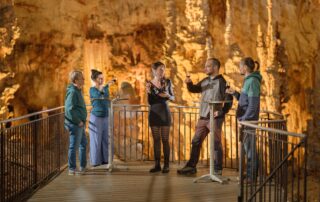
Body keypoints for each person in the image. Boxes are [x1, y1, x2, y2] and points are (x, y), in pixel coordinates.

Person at [177, 58, 233, 175]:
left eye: (208, 66)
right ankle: (191, 166)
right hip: (203, 117)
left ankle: (217, 169)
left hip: (215, 117)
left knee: (216, 143)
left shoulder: (222, 82)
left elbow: (228, 99)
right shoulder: (205, 80)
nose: (205, 68)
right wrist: (189, 83)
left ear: (215, 67)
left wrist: (222, 112)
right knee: (196, 141)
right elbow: (195, 89)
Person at [226, 57, 262, 181]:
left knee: (251, 149)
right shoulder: (248, 81)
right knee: (247, 149)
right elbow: (245, 100)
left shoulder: (252, 81)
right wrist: (234, 93)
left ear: (245, 67)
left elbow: (253, 105)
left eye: (240, 66)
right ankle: (250, 173)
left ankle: (252, 177)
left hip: (249, 121)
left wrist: (244, 120)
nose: (239, 68)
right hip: (246, 120)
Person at [146, 61, 175, 173]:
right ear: (154, 70)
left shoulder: (167, 82)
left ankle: (166, 165)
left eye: (163, 69)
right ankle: (157, 165)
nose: (162, 71)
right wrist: (148, 92)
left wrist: (167, 95)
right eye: (160, 69)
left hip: (164, 113)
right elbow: (150, 101)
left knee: (165, 139)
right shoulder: (149, 83)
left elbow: (173, 97)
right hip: (154, 113)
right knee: (156, 140)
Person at [89, 69, 114, 167]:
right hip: (96, 117)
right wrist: (104, 86)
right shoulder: (92, 89)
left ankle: (106, 160)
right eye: (99, 79)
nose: (102, 80)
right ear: (95, 80)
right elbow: (98, 95)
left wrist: (106, 86)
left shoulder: (105, 88)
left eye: (102, 78)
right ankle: (95, 161)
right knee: (96, 140)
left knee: (106, 139)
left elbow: (106, 97)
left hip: (106, 116)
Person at [64, 70, 87, 175]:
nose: (84, 79)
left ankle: (83, 166)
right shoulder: (73, 92)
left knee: (83, 144)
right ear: (76, 80)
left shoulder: (78, 90)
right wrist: (78, 122)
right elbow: (69, 109)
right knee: (74, 146)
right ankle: (72, 168)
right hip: (76, 124)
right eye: (82, 78)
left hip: (80, 123)